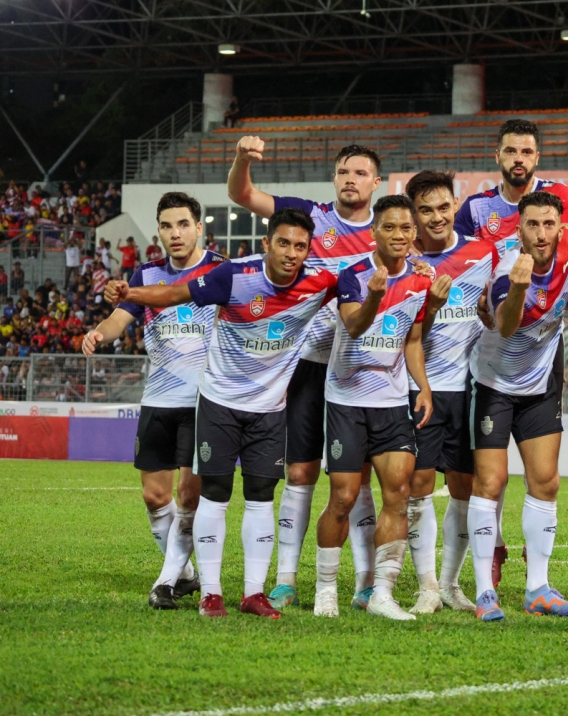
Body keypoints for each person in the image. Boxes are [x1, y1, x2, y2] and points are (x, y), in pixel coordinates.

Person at [104, 207, 340, 619]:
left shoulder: (321, 281)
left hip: (270, 408)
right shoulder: (233, 275)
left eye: (300, 246)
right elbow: (173, 294)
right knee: (213, 496)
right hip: (219, 404)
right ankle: (210, 594)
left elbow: (366, 283)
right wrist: (130, 293)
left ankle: (253, 594)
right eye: (283, 243)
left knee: (261, 499)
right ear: (267, 243)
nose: (291, 253)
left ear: (308, 250)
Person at [228, 138, 383, 611]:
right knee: (299, 472)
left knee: (355, 479)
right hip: (306, 366)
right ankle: (287, 579)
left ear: (377, 182)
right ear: (333, 178)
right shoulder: (311, 217)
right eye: (344, 172)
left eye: (360, 173)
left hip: (359, 369)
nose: (350, 179)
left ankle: (366, 582)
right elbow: (242, 194)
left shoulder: (390, 230)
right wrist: (242, 160)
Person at [453, 118, 568, 587]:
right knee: (487, 476)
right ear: (498, 156)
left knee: (543, 474)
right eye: (510, 151)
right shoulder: (476, 209)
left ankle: (536, 561)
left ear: (537, 158)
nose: (518, 159)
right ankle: (493, 550)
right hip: (488, 335)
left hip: (542, 345)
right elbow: (460, 259)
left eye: (526, 152)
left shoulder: (558, 198)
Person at [83, 192, 225, 609]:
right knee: (154, 497)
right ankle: (185, 574)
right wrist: (99, 333)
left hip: (204, 401)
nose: (174, 233)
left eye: (183, 224)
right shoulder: (145, 275)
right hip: (158, 399)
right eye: (166, 225)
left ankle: (164, 583)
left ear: (198, 227)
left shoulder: (221, 270)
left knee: (188, 498)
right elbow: (118, 319)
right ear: (159, 231)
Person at [314, 195, 436, 621]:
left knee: (399, 494)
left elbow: (412, 340)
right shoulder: (353, 275)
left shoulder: (420, 281)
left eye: (405, 228)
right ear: (374, 232)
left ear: (414, 233)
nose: (398, 235)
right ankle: (326, 590)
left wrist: (422, 387)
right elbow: (353, 325)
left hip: (391, 401)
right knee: (344, 497)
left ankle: (381, 593)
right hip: (346, 400)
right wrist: (374, 296)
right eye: (389, 227)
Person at [468, 191, 568, 622]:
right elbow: (506, 325)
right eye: (532, 225)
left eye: (548, 224)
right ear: (518, 230)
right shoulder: (507, 270)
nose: (541, 233)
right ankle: (484, 593)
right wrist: (520, 288)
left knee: (546, 482)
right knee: (491, 482)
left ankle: (538, 588)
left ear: (560, 227)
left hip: (539, 386)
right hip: (494, 385)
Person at [401, 170, 497, 614]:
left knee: (464, 488)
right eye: (426, 210)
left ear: (456, 206)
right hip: (420, 387)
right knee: (418, 486)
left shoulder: (483, 253)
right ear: (414, 214)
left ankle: (451, 584)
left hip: (469, 388)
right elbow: (406, 334)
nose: (437, 217)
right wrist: (431, 304)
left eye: (443, 207)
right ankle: (426, 587)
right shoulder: (405, 263)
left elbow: (496, 310)